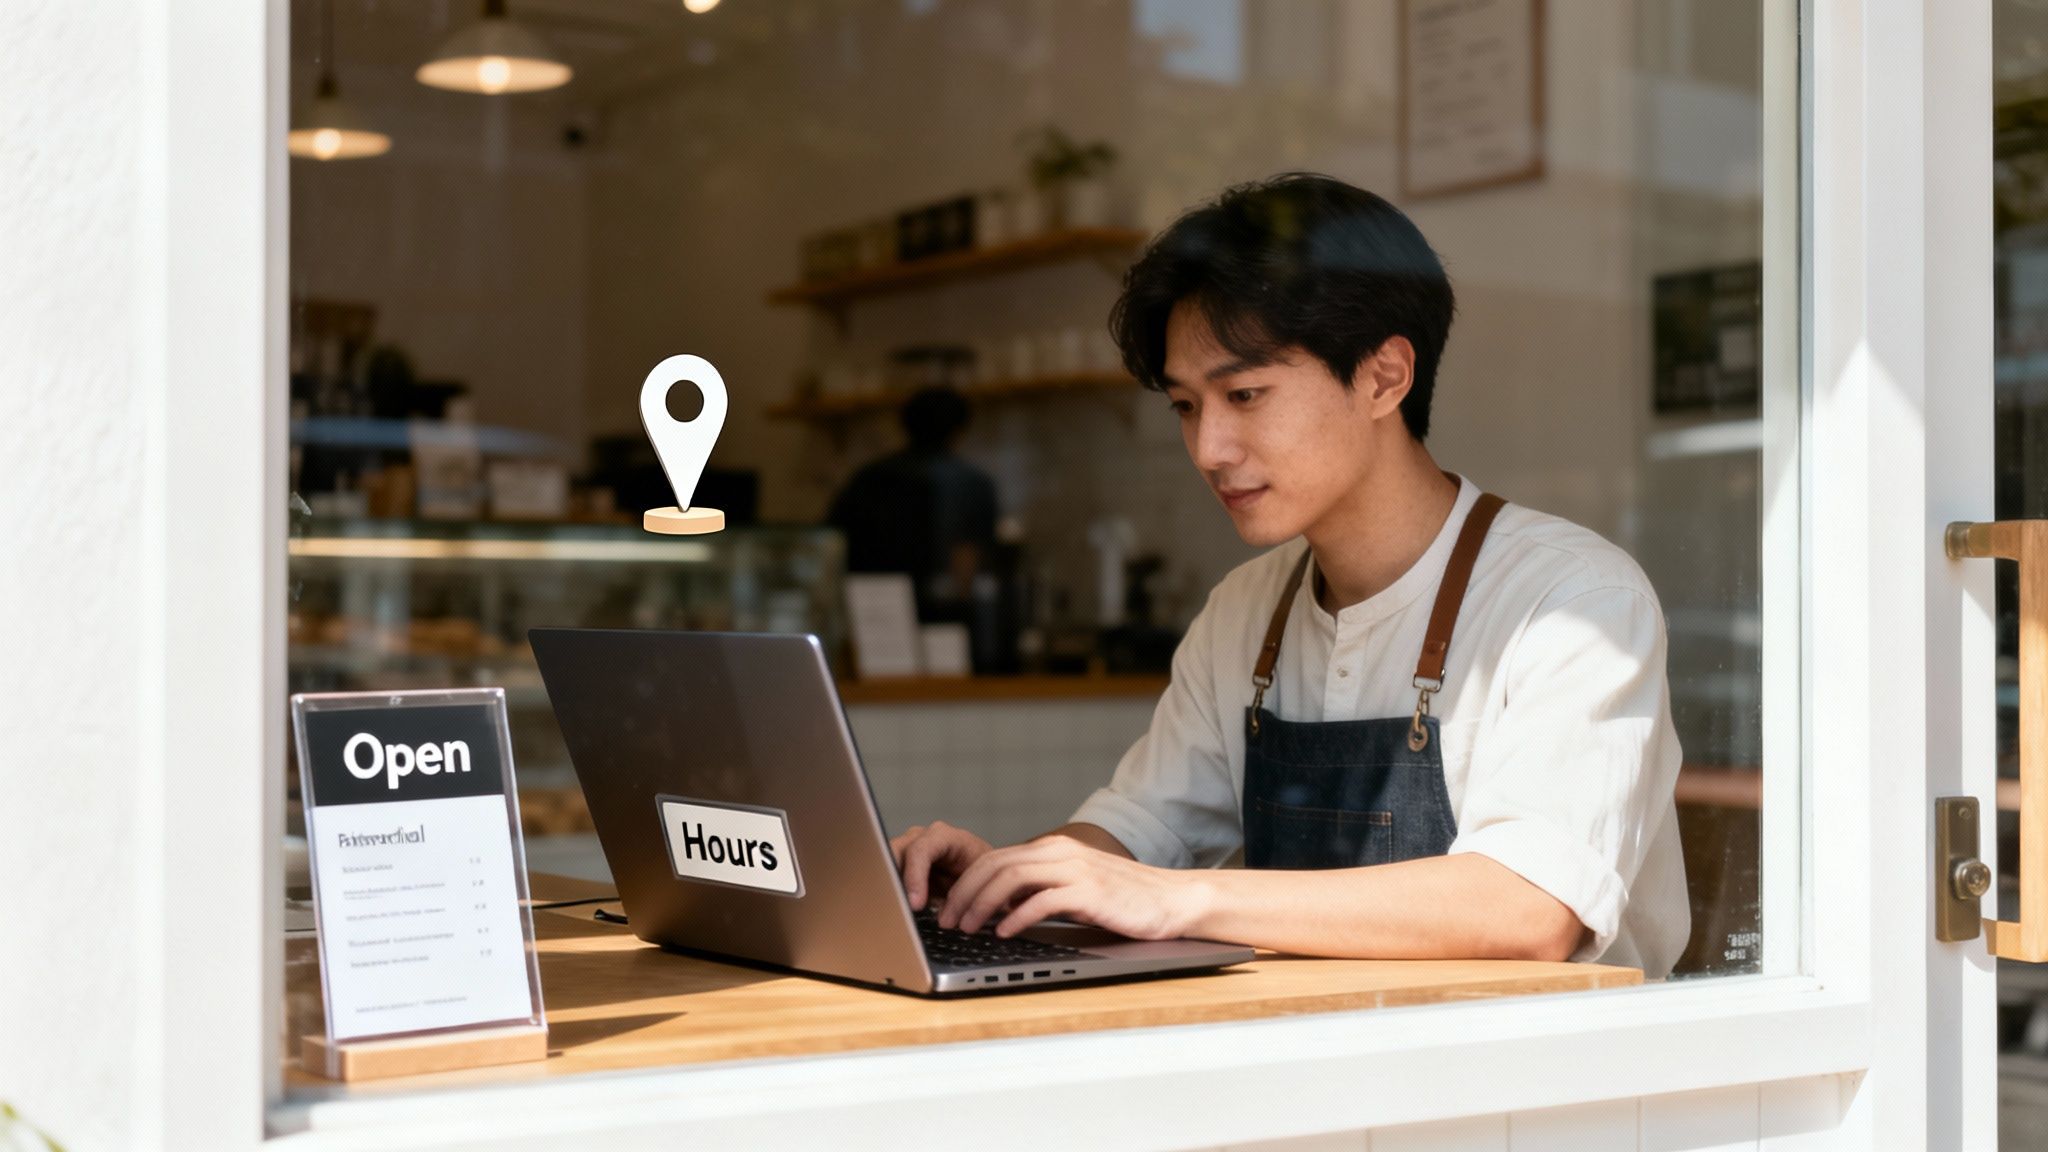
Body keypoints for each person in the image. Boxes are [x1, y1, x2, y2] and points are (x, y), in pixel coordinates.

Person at [891, 174, 1690, 977]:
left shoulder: (1572, 602)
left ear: (1384, 378)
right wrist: (1006, 878)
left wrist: (1183, 898)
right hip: (1314, 1069)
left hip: (1540, 1088)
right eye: (1186, 407)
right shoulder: (1244, 610)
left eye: (1244, 394)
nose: (1209, 449)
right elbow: (1138, 831)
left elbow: (1528, 908)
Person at [827, 386, 998, 620]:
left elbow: (833, 543)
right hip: (936, 614)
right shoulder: (971, 483)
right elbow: (965, 559)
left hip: (869, 611)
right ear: (960, 430)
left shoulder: (869, 477)